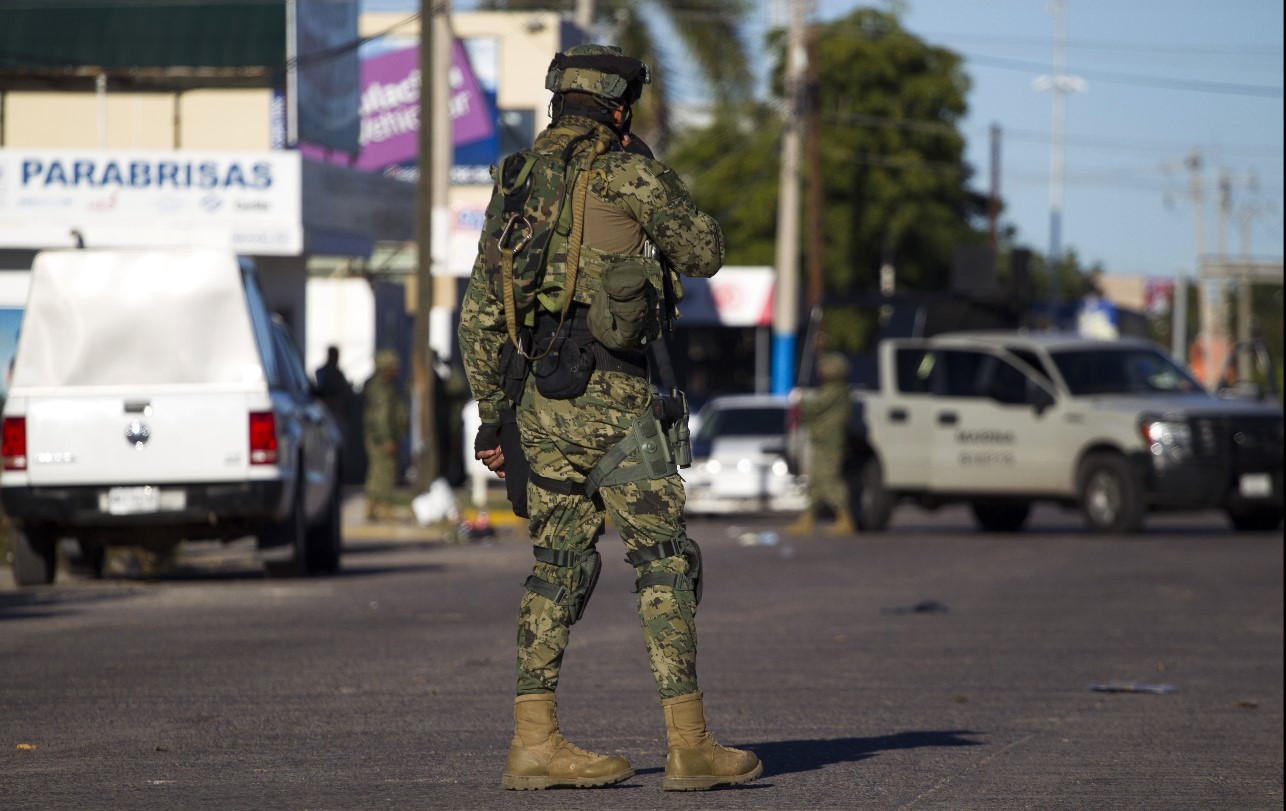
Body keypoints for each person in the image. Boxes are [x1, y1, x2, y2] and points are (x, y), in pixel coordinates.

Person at [458, 44, 762, 792]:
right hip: (621, 402)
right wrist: (653, 174)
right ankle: (689, 745)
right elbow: (705, 251)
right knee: (663, 560)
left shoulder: (516, 183)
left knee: (558, 565)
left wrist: (495, 421)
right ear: (619, 109)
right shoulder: (627, 172)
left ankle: (534, 743)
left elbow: (478, 315)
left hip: (540, 405)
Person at [787, 351, 856, 535]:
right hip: (821, 441)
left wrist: (801, 401)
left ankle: (845, 519)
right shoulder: (831, 390)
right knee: (816, 481)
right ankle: (808, 519)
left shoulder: (836, 391)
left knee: (830, 480)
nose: (821, 372)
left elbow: (815, 406)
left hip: (830, 443)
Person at [362, 349, 408, 522]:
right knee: (384, 469)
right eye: (392, 367)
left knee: (378, 469)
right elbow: (382, 415)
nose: (395, 370)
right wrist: (387, 438)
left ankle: (373, 506)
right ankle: (382, 505)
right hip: (382, 437)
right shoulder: (381, 387)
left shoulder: (387, 385)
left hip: (381, 435)